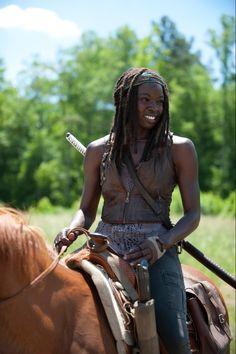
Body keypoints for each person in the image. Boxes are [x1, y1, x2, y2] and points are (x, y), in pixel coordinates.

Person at [54, 67, 200, 354]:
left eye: (159, 102)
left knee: (174, 336)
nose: (154, 108)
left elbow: (193, 214)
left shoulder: (179, 148)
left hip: (154, 251)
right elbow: (86, 209)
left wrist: (163, 243)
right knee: (58, 302)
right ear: (125, 102)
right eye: (146, 99)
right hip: (103, 246)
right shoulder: (98, 151)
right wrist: (72, 228)